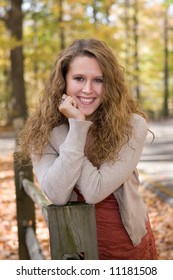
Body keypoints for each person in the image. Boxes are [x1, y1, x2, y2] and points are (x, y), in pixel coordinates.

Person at [18, 38, 157, 260]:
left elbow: (95, 190)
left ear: (109, 83)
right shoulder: (44, 129)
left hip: (127, 245)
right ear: (63, 80)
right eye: (79, 78)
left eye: (98, 80)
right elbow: (56, 193)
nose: (88, 89)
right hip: (74, 247)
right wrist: (74, 130)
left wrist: (76, 127)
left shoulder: (131, 126)